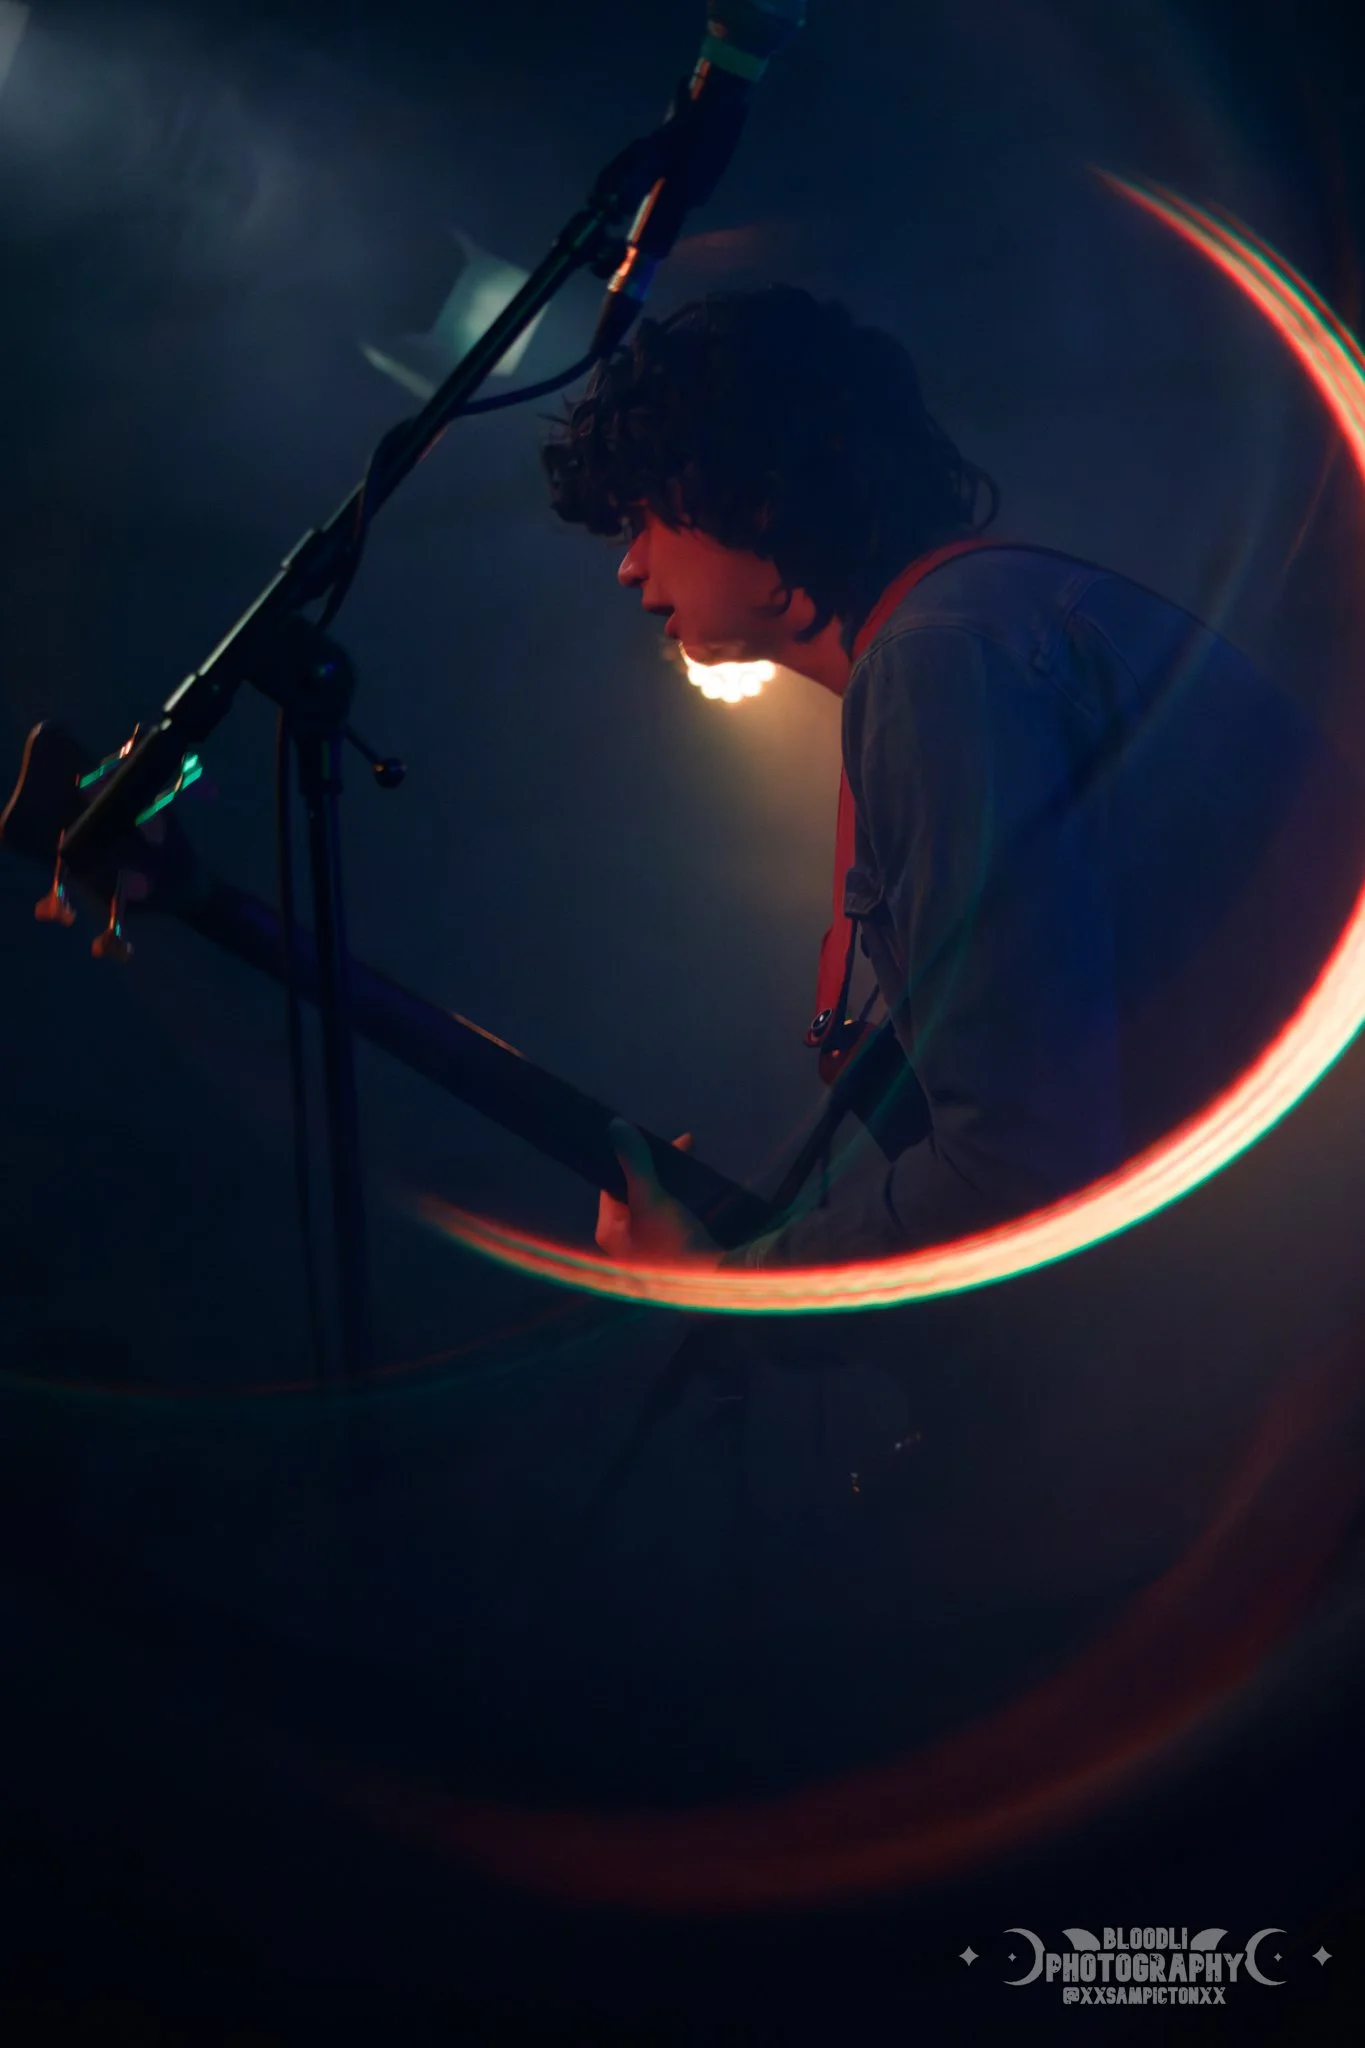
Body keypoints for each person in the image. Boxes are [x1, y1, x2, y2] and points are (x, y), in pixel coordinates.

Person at [540, 285, 1362, 1271]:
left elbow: (1019, 1158)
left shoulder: (938, 660)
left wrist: (732, 1288)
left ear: (752, 495)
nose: (629, 568)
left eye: (641, 518)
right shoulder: (988, 618)